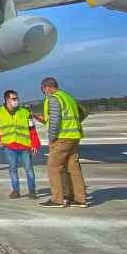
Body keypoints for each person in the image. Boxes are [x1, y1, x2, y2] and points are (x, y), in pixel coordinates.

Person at [34, 77, 87, 208]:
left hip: (61, 138)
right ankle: (79, 199)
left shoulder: (54, 98)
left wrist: (52, 138)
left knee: (53, 167)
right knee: (73, 168)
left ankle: (57, 199)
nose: (44, 92)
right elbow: (82, 113)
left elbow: (55, 119)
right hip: (74, 136)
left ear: (47, 87)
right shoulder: (68, 97)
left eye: (43, 90)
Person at [0, 89, 40, 199]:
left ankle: (32, 192)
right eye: (14, 98)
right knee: (12, 169)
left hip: (24, 145)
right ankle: (16, 191)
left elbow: (32, 130)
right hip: (9, 146)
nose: (16, 100)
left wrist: (35, 144)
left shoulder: (25, 112)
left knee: (29, 169)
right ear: (7, 100)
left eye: (17, 98)